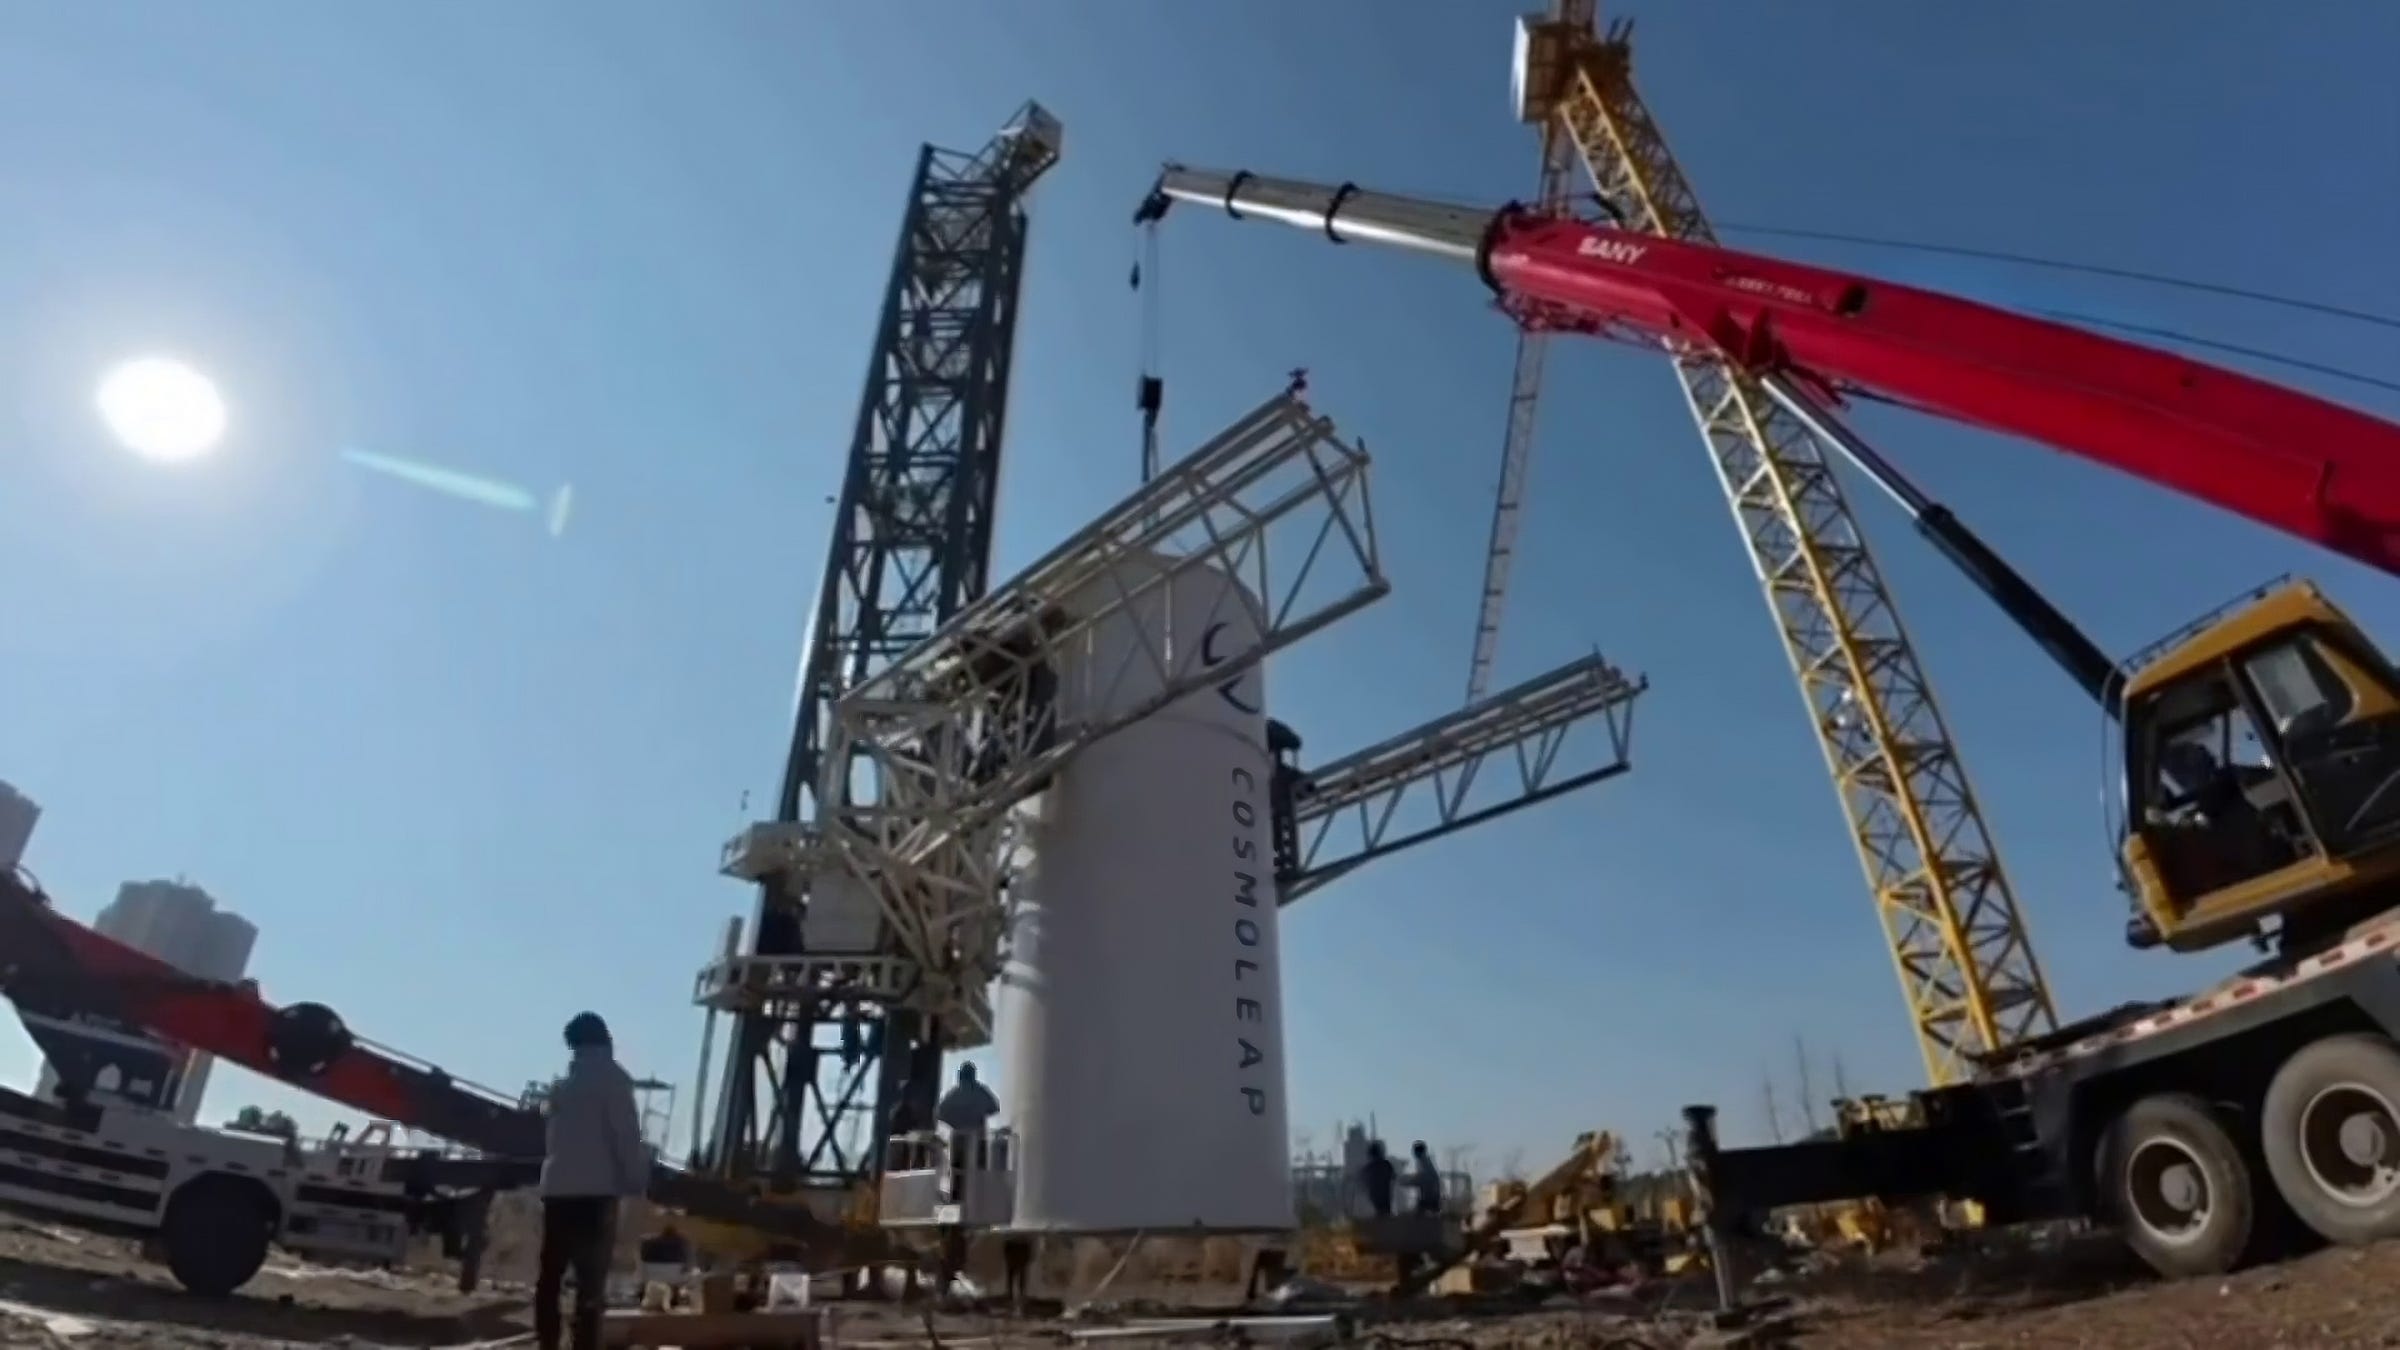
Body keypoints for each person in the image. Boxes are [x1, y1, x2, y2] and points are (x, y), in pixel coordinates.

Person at [535, 1012, 649, 1350]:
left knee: (550, 1278)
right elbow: (625, 1138)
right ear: (605, 1039)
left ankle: (547, 1343)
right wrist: (636, 1181)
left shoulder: (562, 1088)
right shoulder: (614, 1080)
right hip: (596, 1195)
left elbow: (553, 1141)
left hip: (557, 1192)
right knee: (590, 1285)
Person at [1359, 1139, 1396, 1218]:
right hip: (1385, 1197)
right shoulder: (1386, 1165)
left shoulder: (1368, 1168)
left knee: (1381, 1213)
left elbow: (1362, 1182)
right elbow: (1393, 1177)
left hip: (1376, 1198)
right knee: (1385, 1213)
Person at [1410, 1140, 1442, 1216]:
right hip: (1427, 1194)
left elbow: (1424, 1177)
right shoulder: (1421, 1162)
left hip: (1430, 1195)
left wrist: (1412, 1180)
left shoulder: (1424, 1162)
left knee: (1423, 1216)